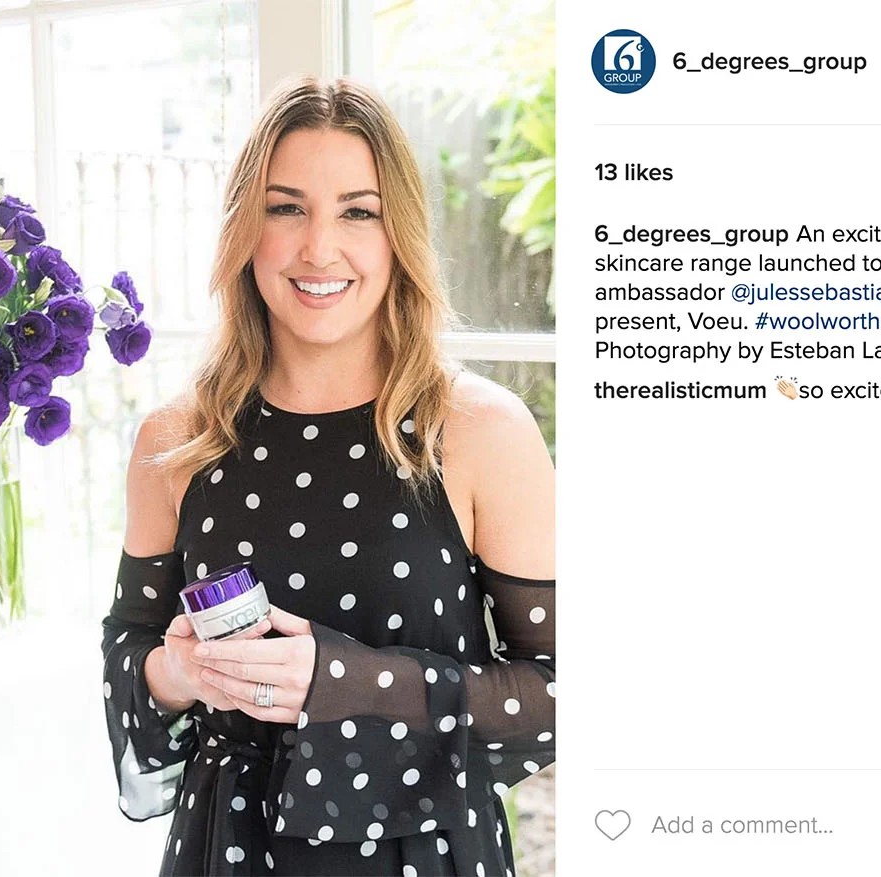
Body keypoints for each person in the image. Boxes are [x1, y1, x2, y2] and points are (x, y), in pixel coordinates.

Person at [101, 75, 555, 876]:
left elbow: (558, 694)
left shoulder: (479, 431)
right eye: (286, 208)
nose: (318, 248)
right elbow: (128, 656)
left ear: (397, 232)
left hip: (423, 854)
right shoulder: (176, 440)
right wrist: (176, 671)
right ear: (245, 229)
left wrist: (344, 681)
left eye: (358, 211)